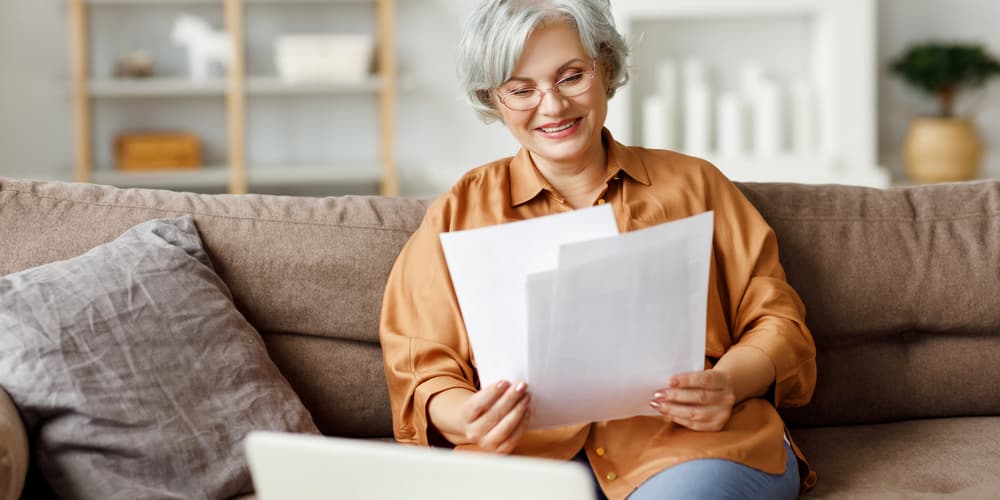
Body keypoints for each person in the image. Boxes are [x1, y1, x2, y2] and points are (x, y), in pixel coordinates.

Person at [379, 1, 817, 498]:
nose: (552, 106)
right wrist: (467, 418)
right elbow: (423, 370)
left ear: (605, 67)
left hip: (694, 448)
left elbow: (777, 320)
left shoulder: (696, 185)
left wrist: (731, 384)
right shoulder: (457, 214)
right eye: (521, 89)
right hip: (523, 460)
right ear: (493, 98)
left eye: (571, 77)